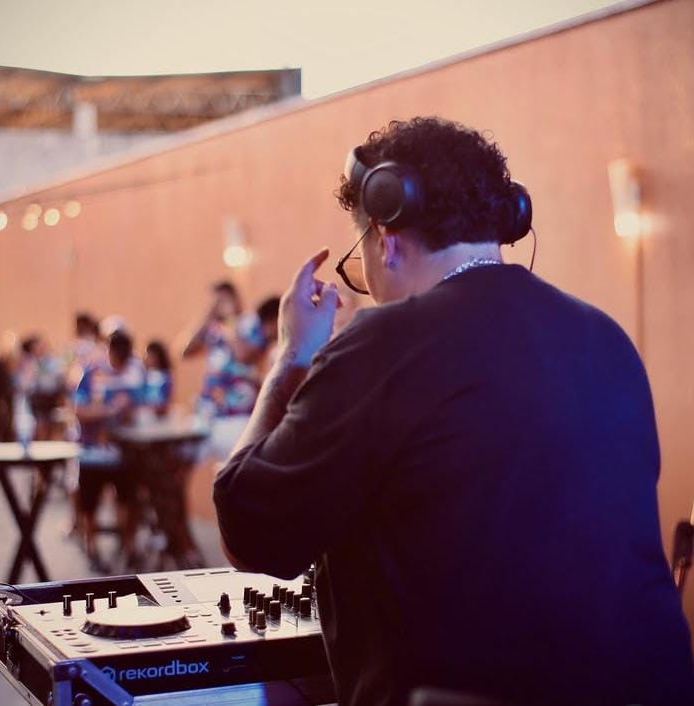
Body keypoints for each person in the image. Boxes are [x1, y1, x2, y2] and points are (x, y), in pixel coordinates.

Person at [213, 117, 694, 706]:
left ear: (385, 234)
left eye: (360, 259)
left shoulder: (384, 342)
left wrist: (291, 357)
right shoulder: (606, 337)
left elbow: (248, 531)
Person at [74, 330, 145, 569]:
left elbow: (142, 406)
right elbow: (79, 410)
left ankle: (127, 546)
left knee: (128, 500)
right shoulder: (93, 373)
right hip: (92, 454)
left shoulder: (134, 373)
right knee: (90, 504)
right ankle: (92, 549)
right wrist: (110, 410)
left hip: (123, 455)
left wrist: (129, 410)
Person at [183, 281, 271, 458]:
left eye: (223, 299)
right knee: (184, 456)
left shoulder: (250, 322)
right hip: (209, 410)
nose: (219, 304)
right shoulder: (212, 326)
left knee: (236, 461)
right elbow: (186, 352)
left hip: (238, 411)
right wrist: (207, 316)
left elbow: (244, 354)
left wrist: (230, 323)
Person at [142, 339, 173, 417]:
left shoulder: (165, 376)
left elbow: (165, 399)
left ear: (156, 356)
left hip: (159, 416)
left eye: (148, 355)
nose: (145, 358)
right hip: (147, 413)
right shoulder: (146, 375)